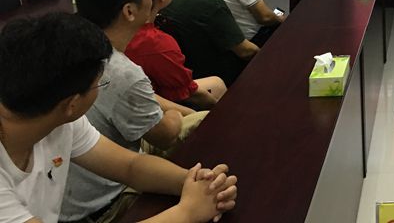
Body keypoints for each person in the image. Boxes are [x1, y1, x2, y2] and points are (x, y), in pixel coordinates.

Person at [0, 13, 237, 223]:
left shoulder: (60, 120)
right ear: (71, 104)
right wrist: (187, 213)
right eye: (98, 85)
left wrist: (196, 182)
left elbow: (130, 167)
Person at [61, 0, 205, 222]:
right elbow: (164, 136)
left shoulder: (73, 45)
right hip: (106, 205)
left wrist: (195, 181)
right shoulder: (118, 70)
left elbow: (131, 164)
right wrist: (176, 114)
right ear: (129, 11)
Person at [125, 0, 227, 109]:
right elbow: (189, 92)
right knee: (217, 84)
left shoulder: (120, 27)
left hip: (144, 93)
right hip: (156, 101)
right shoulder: (157, 43)